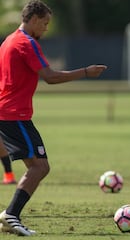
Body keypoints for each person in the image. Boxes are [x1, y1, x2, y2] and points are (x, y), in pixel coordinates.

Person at [0, 0, 107, 236]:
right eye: (45, 23)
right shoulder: (26, 43)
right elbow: (51, 77)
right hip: (13, 114)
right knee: (40, 167)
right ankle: (10, 215)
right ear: (35, 19)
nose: (46, 28)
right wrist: (86, 72)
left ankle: (11, 216)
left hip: (9, 113)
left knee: (38, 166)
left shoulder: (9, 40)